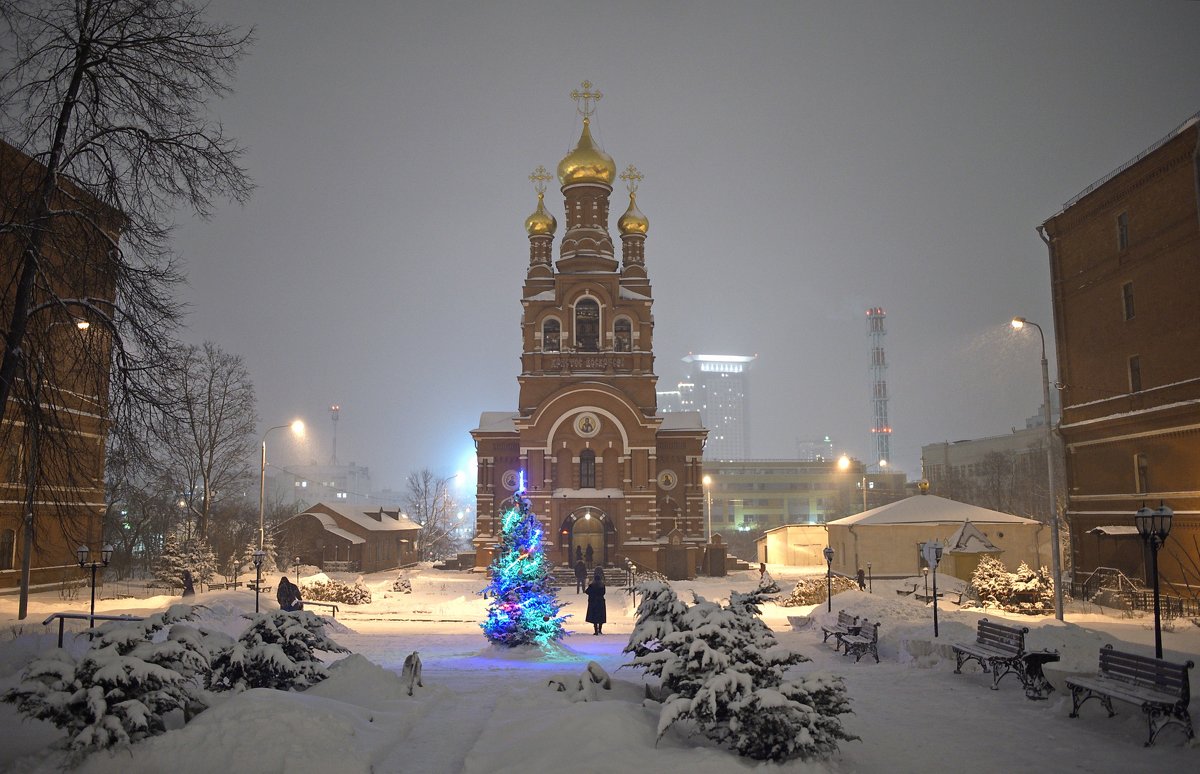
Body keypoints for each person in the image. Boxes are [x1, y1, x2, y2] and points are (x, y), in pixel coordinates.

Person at [585, 566, 606, 635]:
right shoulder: (602, 585)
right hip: (600, 602)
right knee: (600, 616)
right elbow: (603, 593)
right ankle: (600, 630)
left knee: (594, 617)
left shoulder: (592, 585)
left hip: (593, 602)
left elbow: (587, 591)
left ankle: (596, 630)